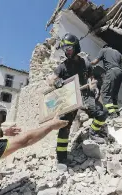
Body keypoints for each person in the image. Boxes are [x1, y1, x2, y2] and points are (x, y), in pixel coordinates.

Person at [47, 33, 108, 166]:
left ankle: (93, 132)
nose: (66, 51)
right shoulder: (62, 66)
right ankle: (61, 158)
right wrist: (56, 83)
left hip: (85, 96)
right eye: (64, 49)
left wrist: (94, 85)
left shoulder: (85, 62)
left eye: (68, 48)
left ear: (75, 47)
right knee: (64, 127)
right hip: (70, 98)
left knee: (102, 113)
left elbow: (92, 77)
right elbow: (50, 79)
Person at [91, 44, 122, 118]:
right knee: (113, 95)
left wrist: (88, 63)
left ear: (105, 47)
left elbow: (95, 61)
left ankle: (112, 113)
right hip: (120, 73)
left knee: (104, 92)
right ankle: (116, 112)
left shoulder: (103, 50)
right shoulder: (117, 52)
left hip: (111, 72)